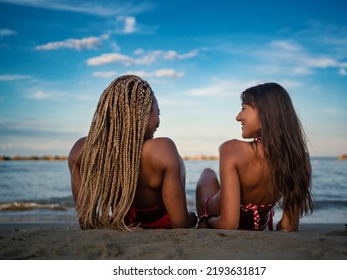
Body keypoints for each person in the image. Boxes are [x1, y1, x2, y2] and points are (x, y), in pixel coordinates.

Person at [68, 75, 197, 230]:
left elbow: (86, 224)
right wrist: (192, 218)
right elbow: (180, 224)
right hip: (163, 224)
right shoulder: (162, 149)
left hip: (122, 224)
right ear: (143, 112)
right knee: (181, 161)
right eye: (158, 113)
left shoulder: (81, 151)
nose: (159, 121)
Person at [196, 82, 313, 231]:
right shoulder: (300, 158)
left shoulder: (232, 149)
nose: (238, 117)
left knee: (208, 172)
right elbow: (289, 225)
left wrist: (208, 221)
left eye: (243, 108)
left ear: (265, 113)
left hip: (217, 214)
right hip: (258, 224)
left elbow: (229, 224)